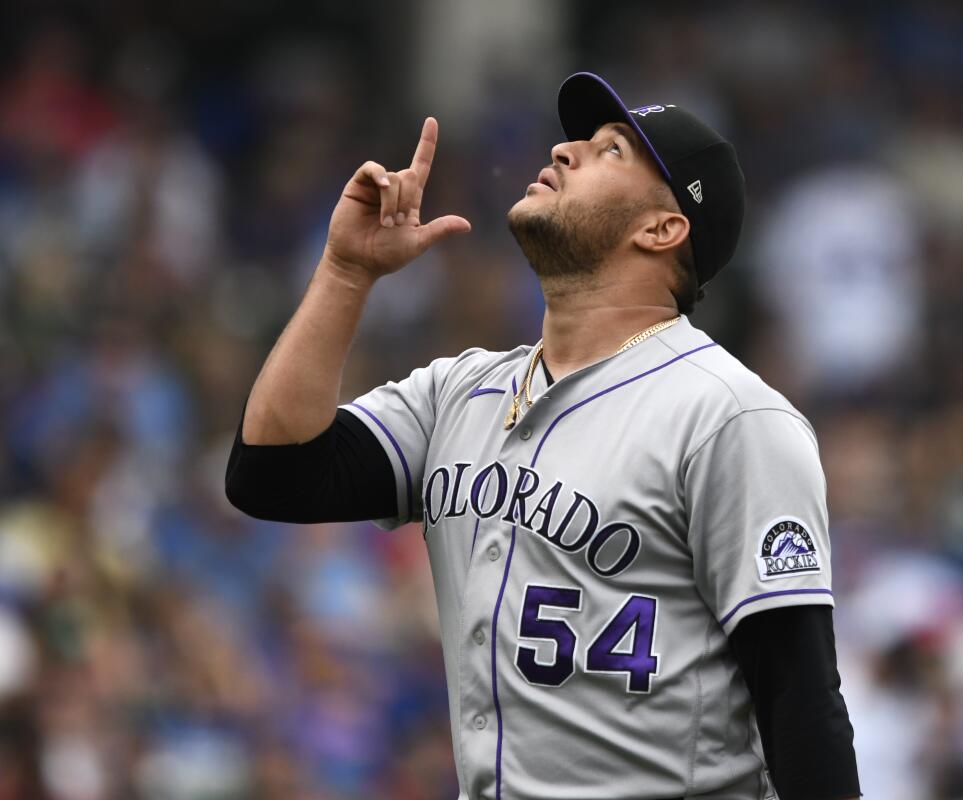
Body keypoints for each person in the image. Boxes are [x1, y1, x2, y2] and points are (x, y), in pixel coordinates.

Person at [226, 72, 860, 800]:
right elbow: (271, 474)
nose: (565, 152)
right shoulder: (458, 393)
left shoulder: (728, 417)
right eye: (578, 142)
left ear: (662, 229)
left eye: (611, 151)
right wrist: (345, 274)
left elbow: (801, 699)